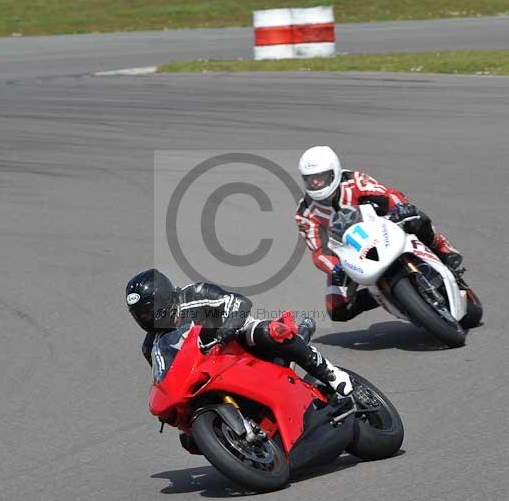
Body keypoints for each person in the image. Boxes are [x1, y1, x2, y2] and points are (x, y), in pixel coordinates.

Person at [125, 268, 354, 399]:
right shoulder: (151, 346)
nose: (147, 318)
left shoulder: (194, 295)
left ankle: (330, 373)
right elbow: (164, 378)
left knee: (269, 331)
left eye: (149, 310)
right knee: (190, 440)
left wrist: (226, 330)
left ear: (164, 298)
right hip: (205, 371)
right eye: (141, 315)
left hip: (235, 341)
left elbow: (239, 303)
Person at [296, 145, 463, 322]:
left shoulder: (355, 180)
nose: (315, 183)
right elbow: (319, 251)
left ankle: (443, 248)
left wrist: (400, 207)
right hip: (351, 255)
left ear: (334, 173)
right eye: (310, 179)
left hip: (383, 228)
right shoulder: (304, 213)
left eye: (320, 177)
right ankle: (381, 294)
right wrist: (335, 268)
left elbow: (388, 195)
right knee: (337, 310)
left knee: (416, 218)